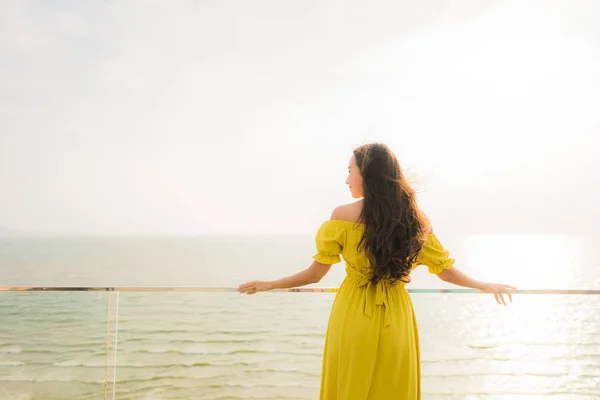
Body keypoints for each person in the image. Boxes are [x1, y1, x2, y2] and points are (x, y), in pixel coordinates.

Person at [237, 143, 515, 399]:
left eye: (350, 171)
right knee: (393, 387)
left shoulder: (342, 216)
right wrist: (484, 285)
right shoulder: (415, 220)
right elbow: (445, 271)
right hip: (397, 314)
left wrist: (268, 284)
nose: (346, 180)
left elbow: (313, 275)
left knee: (350, 384)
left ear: (367, 174)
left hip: (354, 312)